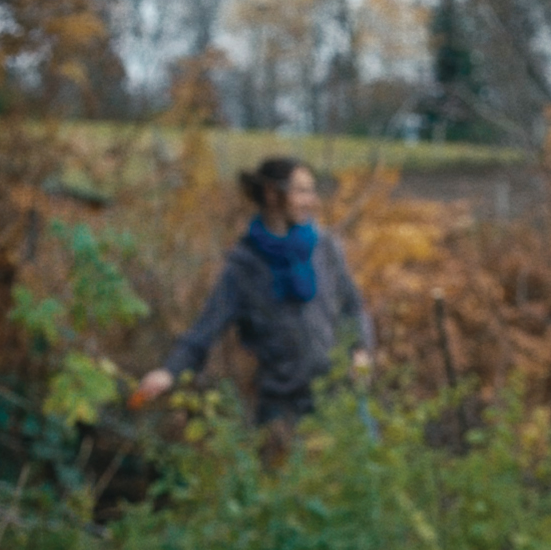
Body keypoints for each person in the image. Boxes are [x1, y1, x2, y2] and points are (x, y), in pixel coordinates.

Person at [131, 157, 376, 461]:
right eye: (301, 191)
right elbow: (203, 332)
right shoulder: (244, 267)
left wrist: (361, 350)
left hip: (340, 395)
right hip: (284, 411)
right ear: (272, 194)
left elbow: (353, 308)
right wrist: (169, 372)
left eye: (312, 191)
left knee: (368, 482)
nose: (312, 201)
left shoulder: (325, 247)